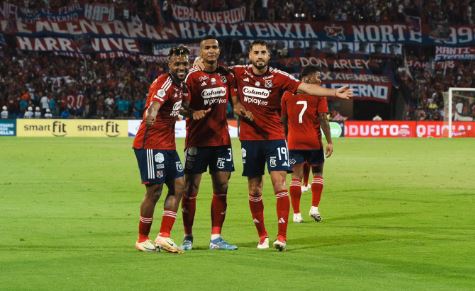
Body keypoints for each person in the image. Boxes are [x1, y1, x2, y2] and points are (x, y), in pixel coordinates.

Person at [231, 40, 352, 251]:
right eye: (256, 52)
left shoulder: (280, 77)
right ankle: (262, 236)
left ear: (269, 56)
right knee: (254, 189)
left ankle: (282, 237)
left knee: (280, 185)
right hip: (250, 140)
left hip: (275, 138)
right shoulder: (237, 73)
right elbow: (212, 72)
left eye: (264, 53)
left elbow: (305, 87)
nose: (260, 56)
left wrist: (334, 93)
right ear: (250, 55)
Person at [180, 37, 238, 251]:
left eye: (214, 47)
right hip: (197, 140)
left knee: (222, 187)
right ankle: (188, 237)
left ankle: (216, 238)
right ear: (201, 52)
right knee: (190, 189)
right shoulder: (192, 77)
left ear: (219, 51)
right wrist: (192, 112)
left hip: (221, 141)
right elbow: (180, 106)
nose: (211, 51)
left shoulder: (227, 75)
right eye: (207, 48)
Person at [132, 45, 190, 253]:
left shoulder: (181, 86)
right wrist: (152, 113)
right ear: (170, 64)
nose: (181, 66)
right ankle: (142, 238)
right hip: (150, 144)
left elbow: (179, 106)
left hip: (167, 145)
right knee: (154, 191)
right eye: (177, 63)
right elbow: (156, 103)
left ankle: (164, 236)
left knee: (179, 185)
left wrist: (195, 112)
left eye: (184, 63)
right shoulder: (165, 83)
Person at [281, 66, 332, 223]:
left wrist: (285, 138)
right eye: (317, 76)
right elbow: (323, 118)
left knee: (295, 178)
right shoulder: (318, 95)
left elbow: (283, 120)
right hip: (313, 141)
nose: (319, 80)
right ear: (307, 79)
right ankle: (314, 208)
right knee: (318, 173)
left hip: (294, 141)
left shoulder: (287, 94)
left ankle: (296, 214)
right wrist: (329, 141)